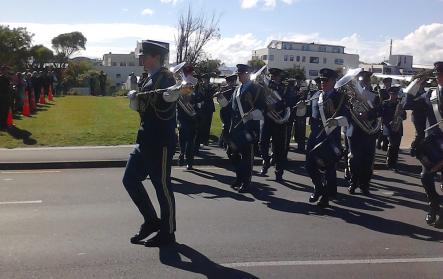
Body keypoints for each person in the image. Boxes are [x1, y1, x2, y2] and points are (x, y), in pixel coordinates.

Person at [122, 41, 179, 247]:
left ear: (155, 56)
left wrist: (169, 97)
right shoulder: (149, 79)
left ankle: (168, 232)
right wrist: (135, 100)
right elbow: (145, 110)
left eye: (144, 56)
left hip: (161, 141)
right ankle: (151, 221)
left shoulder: (167, 77)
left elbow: (167, 107)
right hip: (145, 139)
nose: (141, 60)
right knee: (130, 179)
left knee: (162, 187)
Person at [302, 68, 347, 207]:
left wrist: (336, 121)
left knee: (328, 169)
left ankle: (325, 197)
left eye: (325, 80)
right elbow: (308, 113)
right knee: (309, 166)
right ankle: (318, 187)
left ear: (333, 82)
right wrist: (301, 108)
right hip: (314, 137)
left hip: (330, 138)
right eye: (321, 80)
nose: (322, 83)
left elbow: (347, 118)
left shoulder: (340, 97)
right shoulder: (316, 95)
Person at [408, 61, 443, 228]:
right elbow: (408, 103)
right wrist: (416, 83)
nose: (439, 77)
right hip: (433, 144)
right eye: (437, 75)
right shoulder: (429, 95)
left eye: (441, 74)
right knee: (425, 177)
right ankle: (434, 205)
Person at [227, 64, 266, 193]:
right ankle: (239, 176)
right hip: (236, 128)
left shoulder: (257, 89)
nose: (239, 76)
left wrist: (251, 115)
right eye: (238, 74)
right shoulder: (237, 89)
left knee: (247, 156)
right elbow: (232, 109)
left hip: (249, 128)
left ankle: (246, 182)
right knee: (231, 152)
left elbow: (262, 109)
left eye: (241, 74)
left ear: (248, 74)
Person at [347, 71, 381, 195]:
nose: (365, 81)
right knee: (354, 159)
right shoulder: (349, 97)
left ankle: (364, 185)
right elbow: (345, 112)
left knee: (367, 161)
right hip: (355, 131)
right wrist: (351, 105)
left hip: (369, 132)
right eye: (362, 79)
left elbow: (380, 111)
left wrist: (369, 114)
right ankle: (353, 182)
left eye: (367, 79)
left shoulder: (375, 95)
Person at [259, 68, 296, 181]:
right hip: (267, 119)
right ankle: (266, 160)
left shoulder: (285, 89)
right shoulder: (264, 87)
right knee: (262, 142)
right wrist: (266, 107)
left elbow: (290, 102)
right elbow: (260, 101)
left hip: (280, 122)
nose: (273, 78)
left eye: (276, 76)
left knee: (279, 148)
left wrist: (276, 106)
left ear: (280, 77)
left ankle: (278, 172)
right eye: (272, 76)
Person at [177, 64, 200, 170]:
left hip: (185, 113)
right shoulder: (191, 82)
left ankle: (183, 155)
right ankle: (188, 160)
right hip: (189, 114)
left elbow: (197, 97)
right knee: (189, 138)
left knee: (184, 137)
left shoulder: (184, 82)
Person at [381, 86, 406, 171]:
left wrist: (402, 113)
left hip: (398, 128)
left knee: (396, 146)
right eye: (392, 94)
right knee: (392, 144)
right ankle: (389, 162)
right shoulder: (385, 103)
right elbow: (382, 116)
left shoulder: (399, 104)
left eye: (395, 94)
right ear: (389, 94)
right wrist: (389, 122)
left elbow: (405, 116)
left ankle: (394, 163)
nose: (394, 95)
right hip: (389, 127)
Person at [217, 74, 237, 148]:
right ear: (227, 82)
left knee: (231, 127)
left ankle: (226, 142)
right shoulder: (223, 89)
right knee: (226, 126)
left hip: (233, 111)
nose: (232, 83)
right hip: (225, 111)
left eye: (233, 81)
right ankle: (223, 142)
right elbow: (220, 100)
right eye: (230, 82)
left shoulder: (236, 89)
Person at [377, 77, 392, 150]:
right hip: (383, 110)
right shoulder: (381, 91)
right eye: (388, 82)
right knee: (383, 128)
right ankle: (380, 143)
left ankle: (385, 144)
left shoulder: (392, 90)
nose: (389, 84)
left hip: (390, 111)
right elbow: (381, 100)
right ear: (385, 83)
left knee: (388, 127)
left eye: (390, 82)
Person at [0, 66, 11, 130]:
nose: (6, 71)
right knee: (2, 110)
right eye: (5, 70)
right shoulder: (1, 78)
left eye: (7, 70)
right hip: (2, 96)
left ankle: (4, 124)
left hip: (7, 96)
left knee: (6, 110)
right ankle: (2, 125)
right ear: (2, 71)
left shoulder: (7, 78)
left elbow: (8, 86)